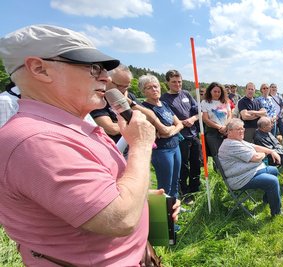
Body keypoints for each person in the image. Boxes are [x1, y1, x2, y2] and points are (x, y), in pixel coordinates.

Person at [0, 24, 179, 266]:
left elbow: (93, 196)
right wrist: (141, 145)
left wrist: (141, 199)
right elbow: (119, 218)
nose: (106, 77)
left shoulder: (67, 125)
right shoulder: (35, 140)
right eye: (93, 68)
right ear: (40, 69)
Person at [218, 118, 283, 217]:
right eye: (238, 129)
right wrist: (265, 153)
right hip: (240, 179)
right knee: (272, 181)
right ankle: (277, 213)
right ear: (229, 131)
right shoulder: (231, 144)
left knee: (273, 170)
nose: (242, 131)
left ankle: (267, 199)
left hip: (249, 172)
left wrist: (271, 151)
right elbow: (255, 157)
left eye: (242, 128)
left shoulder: (238, 141)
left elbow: (254, 146)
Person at [90, 64, 169, 143]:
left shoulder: (129, 96)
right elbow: (111, 129)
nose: (123, 90)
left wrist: (129, 102)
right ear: (108, 80)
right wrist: (138, 123)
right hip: (116, 149)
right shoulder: (98, 98)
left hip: (133, 145)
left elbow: (150, 116)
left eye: (126, 86)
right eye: (119, 86)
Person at [140, 74, 183, 198]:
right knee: (165, 184)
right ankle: (164, 211)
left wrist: (170, 131)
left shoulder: (164, 104)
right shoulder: (145, 108)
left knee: (175, 180)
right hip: (161, 150)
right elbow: (161, 130)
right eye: (149, 87)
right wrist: (168, 130)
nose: (154, 89)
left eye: (156, 86)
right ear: (143, 91)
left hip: (175, 146)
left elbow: (179, 123)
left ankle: (175, 205)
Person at [161, 69, 202, 200]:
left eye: (179, 82)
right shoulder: (164, 99)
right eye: (174, 82)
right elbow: (164, 119)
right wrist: (179, 124)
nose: (177, 85)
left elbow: (199, 112)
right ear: (167, 82)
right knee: (183, 166)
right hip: (179, 137)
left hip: (193, 134)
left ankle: (195, 189)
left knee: (196, 163)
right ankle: (184, 193)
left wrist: (192, 119)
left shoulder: (186, 95)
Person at [254, 117, 283, 184]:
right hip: (271, 158)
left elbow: (277, 144)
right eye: (270, 124)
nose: (272, 125)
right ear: (263, 127)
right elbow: (271, 151)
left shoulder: (267, 132)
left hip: (279, 154)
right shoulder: (259, 137)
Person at [201, 82, 232, 157]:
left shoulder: (225, 102)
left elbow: (230, 115)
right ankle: (218, 168)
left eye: (219, 92)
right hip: (212, 133)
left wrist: (225, 126)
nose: (217, 93)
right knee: (217, 155)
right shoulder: (205, 102)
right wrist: (219, 127)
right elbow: (205, 119)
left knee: (228, 154)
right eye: (215, 91)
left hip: (226, 132)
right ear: (210, 91)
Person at [270, 83, 283, 148]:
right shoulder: (268, 97)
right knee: (273, 135)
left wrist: (278, 116)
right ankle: (275, 149)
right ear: (270, 88)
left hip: (279, 117)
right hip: (272, 119)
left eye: (275, 87)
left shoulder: (279, 96)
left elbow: (282, 107)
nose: (274, 88)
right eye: (272, 87)